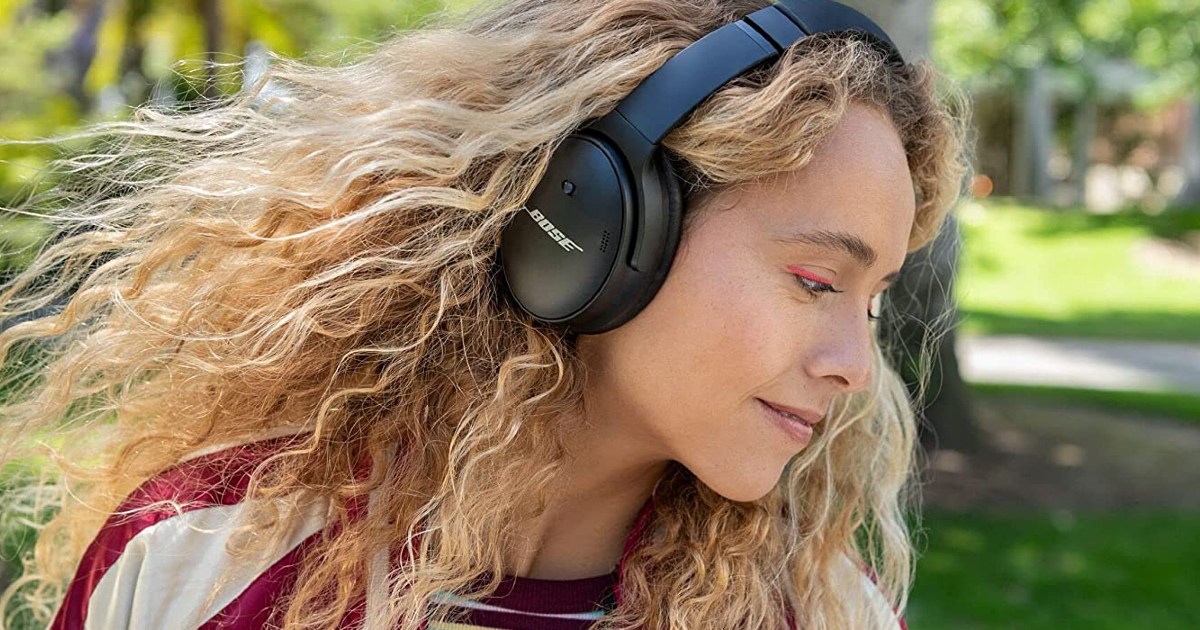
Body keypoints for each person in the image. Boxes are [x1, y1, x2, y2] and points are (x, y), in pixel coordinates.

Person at [0, 0, 970, 628]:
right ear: (591, 223)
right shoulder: (192, 563)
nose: (855, 366)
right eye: (816, 281)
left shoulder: (822, 615)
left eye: (875, 302)